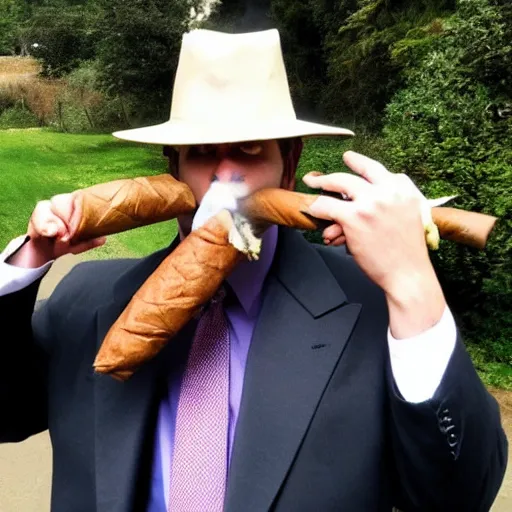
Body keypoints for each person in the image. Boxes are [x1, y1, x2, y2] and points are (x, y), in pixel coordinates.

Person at [0, 28, 507, 512]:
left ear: (289, 165)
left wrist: (411, 283)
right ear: (172, 168)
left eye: (249, 150)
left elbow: (457, 498)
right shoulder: (90, 300)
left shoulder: (375, 307)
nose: (226, 174)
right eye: (202, 155)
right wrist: (25, 262)